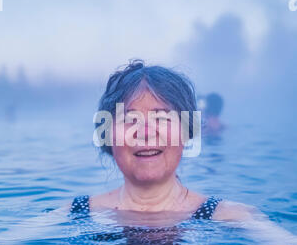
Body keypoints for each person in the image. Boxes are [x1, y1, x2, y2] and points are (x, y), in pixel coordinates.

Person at [70, 59, 259, 223]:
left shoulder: (230, 218)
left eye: (161, 118)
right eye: (129, 120)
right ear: (107, 135)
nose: (145, 133)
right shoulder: (77, 214)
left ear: (186, 130)